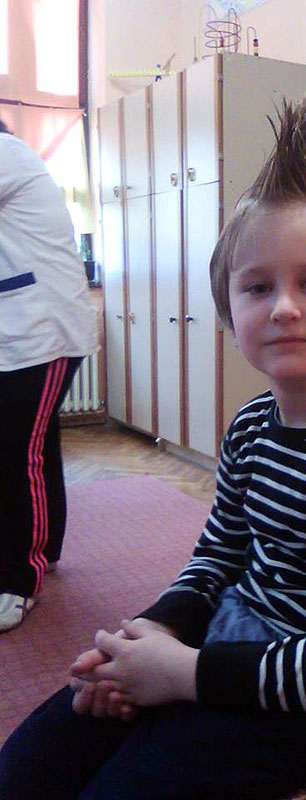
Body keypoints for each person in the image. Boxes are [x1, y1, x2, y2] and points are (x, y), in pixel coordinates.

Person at [0, 101, 306, 799]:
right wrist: (147, 636)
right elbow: (218, 557)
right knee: (35, 758)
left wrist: (183, 674)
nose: (284, 307)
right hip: (242, 641)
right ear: (229, 316)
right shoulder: (250, 428)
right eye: (257, 288)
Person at [0, 118, 98, 632]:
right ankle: (47, 549)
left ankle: (20, 580)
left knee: (18, 453)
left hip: (43, 331)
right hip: (26, 330)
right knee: (34, 446)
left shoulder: (6, 155)